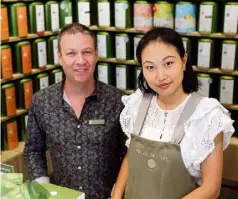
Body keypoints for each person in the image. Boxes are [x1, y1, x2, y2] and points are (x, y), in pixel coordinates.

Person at [111, 27, 235, 199]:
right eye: (150, 67)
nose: (160, 76)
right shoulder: (137, 104)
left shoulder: (207, 116)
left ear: (184, 62)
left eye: (168, 63)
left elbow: (211, 189)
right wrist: (116, 194)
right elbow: (131, 156)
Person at [24, 23, 127, 199]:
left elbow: (130, 153)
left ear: (96, 55)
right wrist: (43, 187)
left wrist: (118, 191)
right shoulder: (42, 101)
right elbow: (33, 150)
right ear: (60, 57)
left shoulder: (118, 101)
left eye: (86, 52)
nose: (80, 61)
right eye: (71, 53)